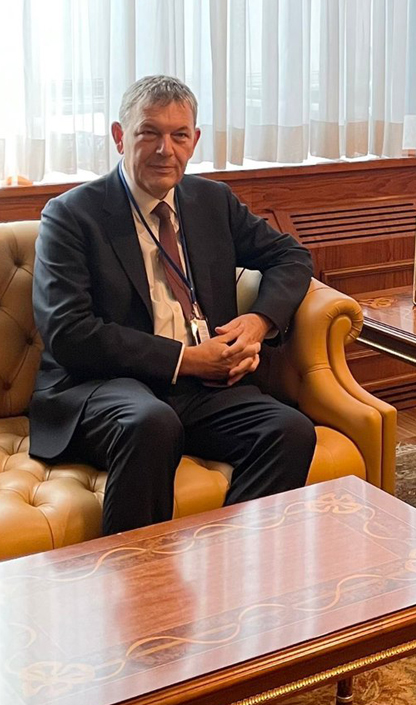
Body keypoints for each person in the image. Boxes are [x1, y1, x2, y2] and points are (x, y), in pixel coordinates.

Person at [29, 75, 317, 536]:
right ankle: (137, 592)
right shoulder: (71, 215)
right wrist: (184, 360)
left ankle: (228, 570)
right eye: (149, 133)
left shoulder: (210, 201)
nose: (166, 149)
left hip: (202, 391)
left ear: (194, 140)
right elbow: (68, 331)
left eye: (179, 135)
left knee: (289, 430)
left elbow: (291, 257)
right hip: (105, 388)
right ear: (120, 136)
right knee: (151, 422)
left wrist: (260, 322)